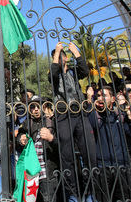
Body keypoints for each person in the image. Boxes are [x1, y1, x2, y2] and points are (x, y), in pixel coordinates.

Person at [48, 42, 96, 201]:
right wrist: (57, 53)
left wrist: (77, 52)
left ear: (66, 58)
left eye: (62, 55)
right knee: (67, 157)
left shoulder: (74, 72)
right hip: (63, 116)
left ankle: (90, 192)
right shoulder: (54, 75)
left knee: (89, 153)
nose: (60, 58)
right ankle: (73, 195)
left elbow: (85, 70)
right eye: (57, 56)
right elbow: (53, 73)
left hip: (80, 113)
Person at [88, 87, 131, 202]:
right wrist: (91, 103)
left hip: (122, 164)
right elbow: (92, 125)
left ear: (113, 99)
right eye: (98, 96)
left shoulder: (120, 115)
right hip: (103, 166)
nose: (100, 98)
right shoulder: (96, 115)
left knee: (125, 197)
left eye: (104, 95)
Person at [16, 97, 59, 202]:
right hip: (31, 172)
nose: (35, 109)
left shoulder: (52, 122)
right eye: (32, 107)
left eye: (38, 106)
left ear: (43, 107)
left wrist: (51, 138)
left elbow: (62, 144)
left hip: (47, 172)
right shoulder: (27, 123)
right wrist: (20, 139)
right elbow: (19, 138)